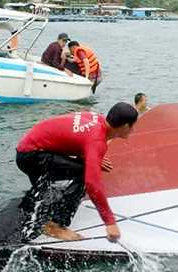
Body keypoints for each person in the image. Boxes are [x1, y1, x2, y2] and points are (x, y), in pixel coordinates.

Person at [15, 102, 138, 242]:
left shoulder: (96, 118)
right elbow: (92, 183)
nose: (133, 129)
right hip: (31, 158)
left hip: (31, 148)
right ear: (126, 126)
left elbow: (75, 134)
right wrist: (110, 222)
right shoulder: (97, 141)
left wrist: (91, 157)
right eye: (133, 126)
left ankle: (36, 204)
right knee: (84, 172)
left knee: (85, 166)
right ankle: (55, 225)